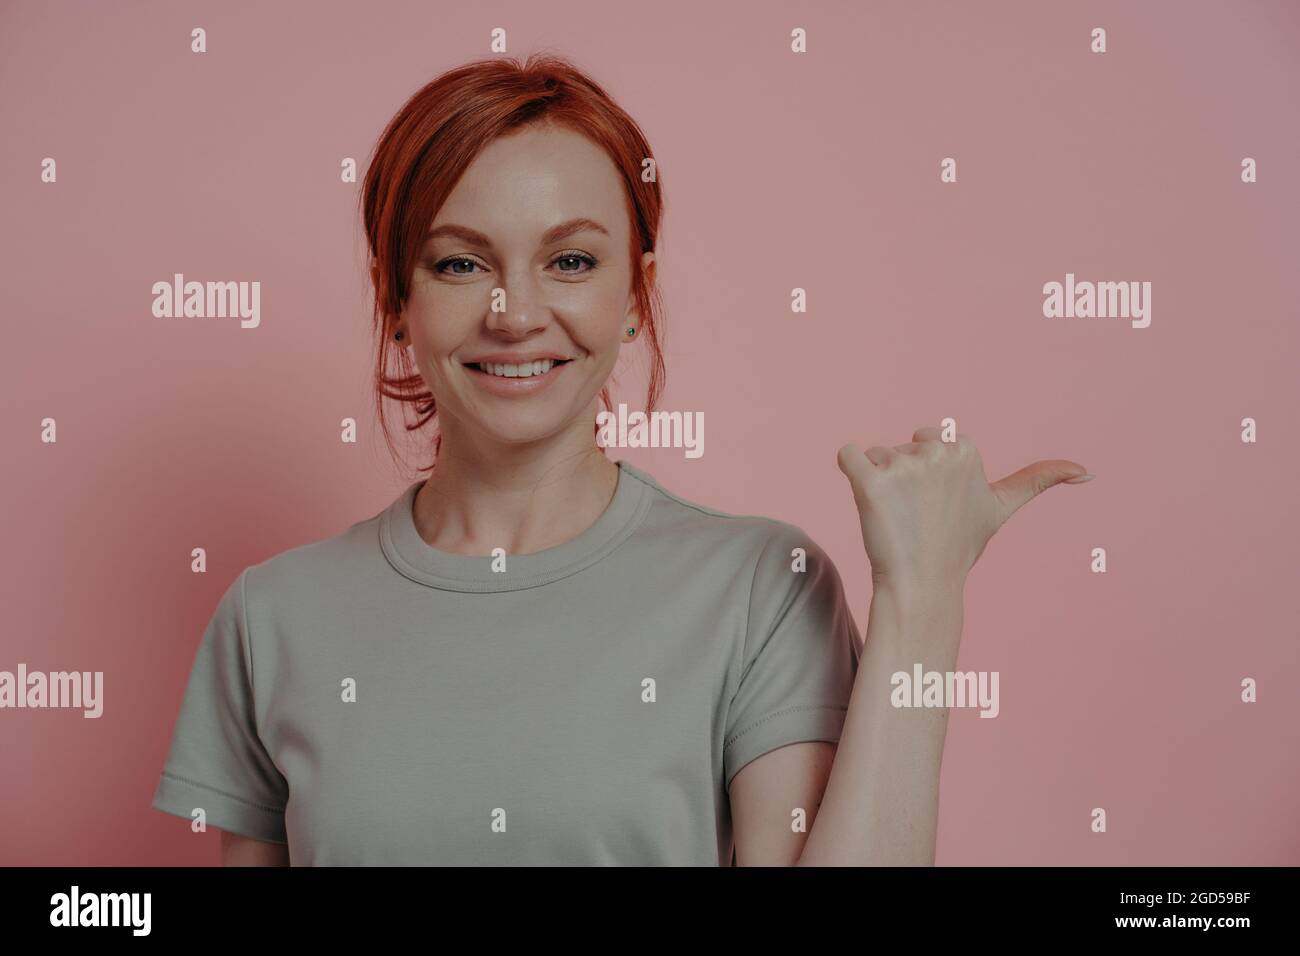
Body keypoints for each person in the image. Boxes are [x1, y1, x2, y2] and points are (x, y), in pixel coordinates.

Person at [150, 53, 1091, 866]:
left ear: (636, 295)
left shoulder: (761, 588)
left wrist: (924, 601)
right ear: (395, 298)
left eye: (570, 261)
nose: (515, 314)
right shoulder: (271, 617)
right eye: (458, 263)